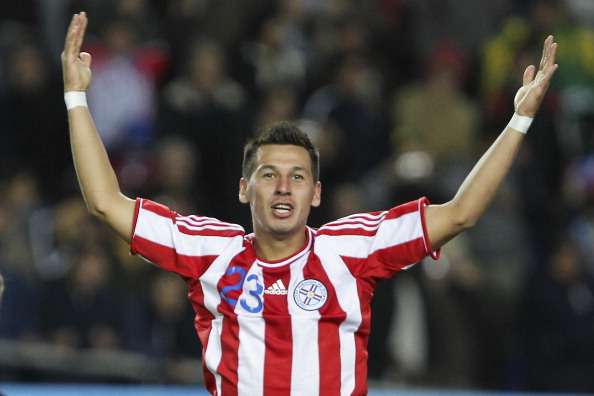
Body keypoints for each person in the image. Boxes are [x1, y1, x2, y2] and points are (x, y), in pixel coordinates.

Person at [61, 12, 558, 396]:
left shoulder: (353, 247)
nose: (283, 187)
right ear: (243, 189)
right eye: (269, 175)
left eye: (298, 177)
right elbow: (106, 202)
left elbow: (460, 213)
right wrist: (76, 99)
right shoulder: (208, 249)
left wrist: (518, 122)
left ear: (316, 194)